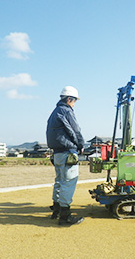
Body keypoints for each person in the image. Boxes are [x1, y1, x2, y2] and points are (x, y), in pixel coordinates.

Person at [46, 86, 85, 225]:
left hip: (57, 153)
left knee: (59, 181)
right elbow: (76, 130)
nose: (74, 104)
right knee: (69, 182)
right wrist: (81, 145)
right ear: (69, 99)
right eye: (74, 101)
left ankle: (56, 209)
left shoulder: (54, 112)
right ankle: (65, 216)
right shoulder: (66, 111)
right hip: (67, 152)